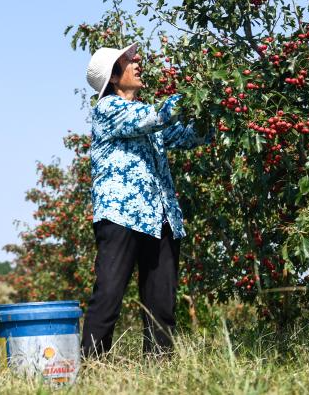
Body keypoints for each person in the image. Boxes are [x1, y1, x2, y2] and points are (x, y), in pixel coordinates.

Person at [80, 44, 212, 358]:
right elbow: (155, 116)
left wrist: (218, 112)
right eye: (129, 60)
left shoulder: (147, 118)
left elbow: (187, 135)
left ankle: (159, 370)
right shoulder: (108, 110)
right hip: (121, 217)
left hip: (161, 218)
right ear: (113, 77)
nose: (138, 62)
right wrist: (196, 91)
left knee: (161, 303)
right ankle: (91, 367)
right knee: (108, 297)